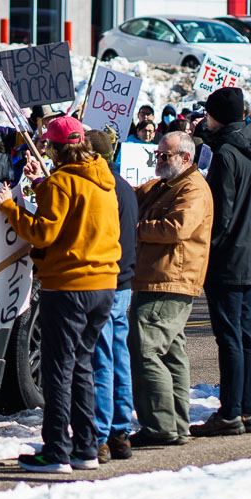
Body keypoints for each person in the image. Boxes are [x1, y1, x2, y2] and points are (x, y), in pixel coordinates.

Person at [0, 116, 119, 473]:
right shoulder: (101, 179)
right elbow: (72, 207)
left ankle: (56, 451)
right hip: (103, 286)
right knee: (81, 367)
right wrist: (41, 182)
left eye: (48, 145)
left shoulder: (64, 182)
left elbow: (43, 233)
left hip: (69, 286)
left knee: (57, 370)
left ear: (57, 148)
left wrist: (10, 208)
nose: (44, 148)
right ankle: (85, 448)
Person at [190, 86, 251, 437]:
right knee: (244, 335)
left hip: (227, 255)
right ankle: (248, 409)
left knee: (230, 339)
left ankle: (230, 412)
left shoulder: (225, 154)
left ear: (218, 116)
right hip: (250, 250)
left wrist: (205, 250)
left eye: (209, 114)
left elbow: (219, 213)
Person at [128, 130, 212, 446]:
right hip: (158, 276)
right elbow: (133, 194)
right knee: (171, 354)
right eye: (158, 154)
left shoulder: (193, 188)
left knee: (145, 348)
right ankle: (176, 424)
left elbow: (176, 228)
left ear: (185, 158)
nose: (158, 160)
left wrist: (134, 230)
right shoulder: (166, 184)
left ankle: (159, 426)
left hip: (169, 279)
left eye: (165, 156)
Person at [85, 129, 137, 462]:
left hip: (108, 281)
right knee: (118, 357)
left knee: (102, 360)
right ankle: (120, 430)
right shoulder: (125, 188)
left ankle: (101, 434)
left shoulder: (103, 188)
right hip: (124, 282)